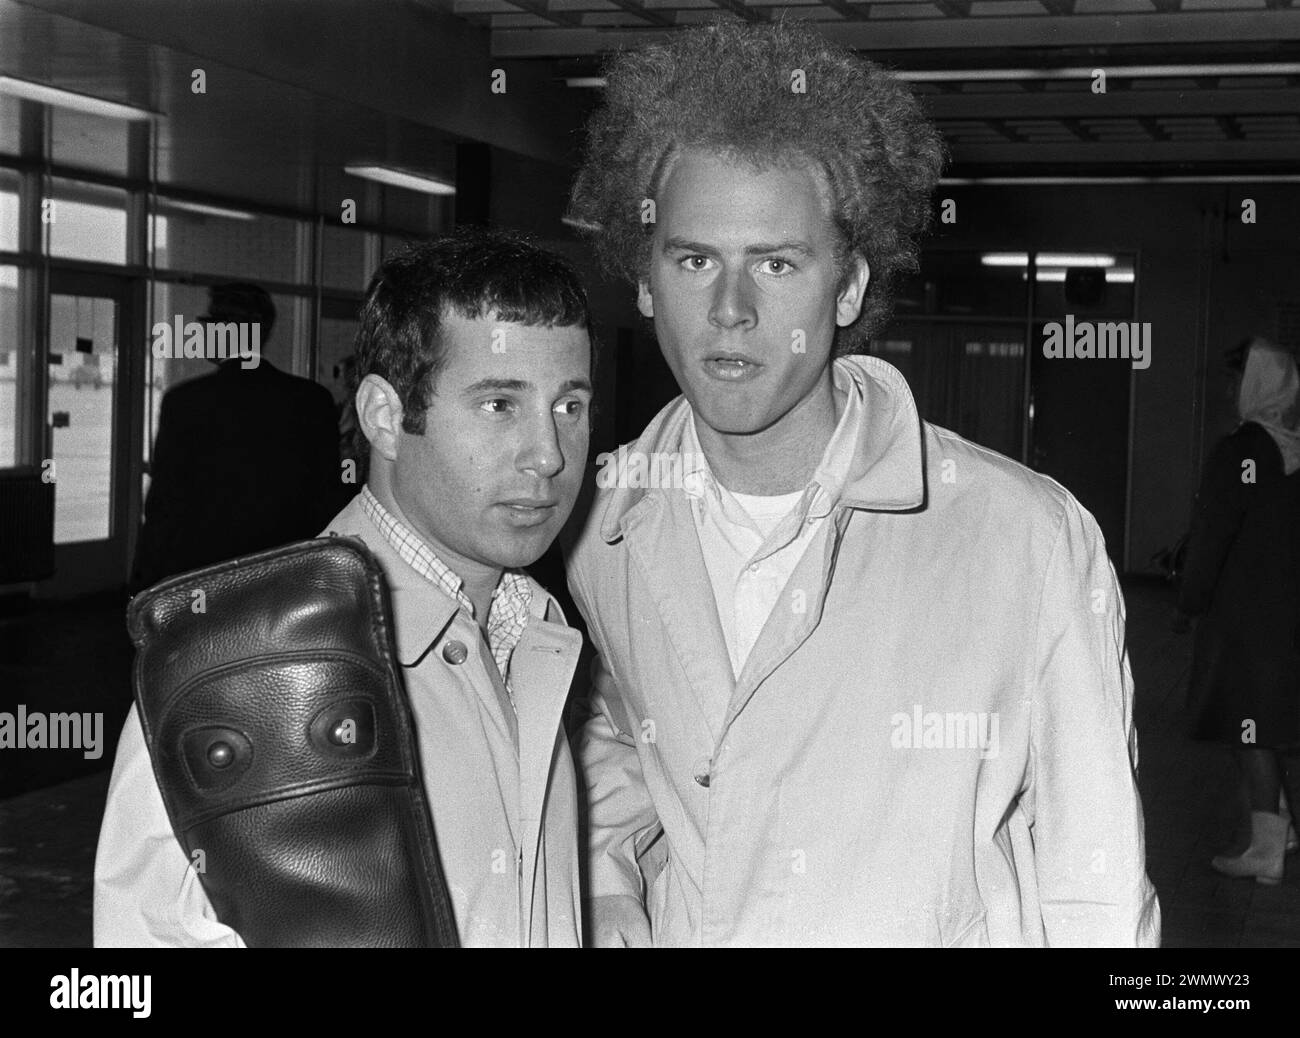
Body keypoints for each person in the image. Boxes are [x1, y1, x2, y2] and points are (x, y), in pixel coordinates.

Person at [563, 21, 1160, 946]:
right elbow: (612, 775)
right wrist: (609, 913)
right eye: (693, 260)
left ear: (847, 290)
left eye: (776, 262)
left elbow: (1099, 888)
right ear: (644, 281)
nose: (730, 310)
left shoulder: (1025, 539)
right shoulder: (599, 526)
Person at [95, 228, 595, 946]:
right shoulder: (222, 676)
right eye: (498, 405)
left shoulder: (539, 635)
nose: (549, 455)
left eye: (569, 407)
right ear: (385, 418)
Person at [1179, 337, 1300, 884]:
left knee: (1249, 727)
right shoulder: (1291, 447)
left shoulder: (1244, 450)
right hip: (1283, 610)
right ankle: (1280, 828)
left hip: (1245, 614)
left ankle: (1267, 850)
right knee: (1260, 722)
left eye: (1235, 379)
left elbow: (1213, 533)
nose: (1230, 391)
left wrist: (1190, 597)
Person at [132, 282, 342, 591]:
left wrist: (142, 589)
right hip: (286, 578)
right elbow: (327, 499)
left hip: (206, 580)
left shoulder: (186, 402)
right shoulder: (313, 400)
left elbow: (164, 509)